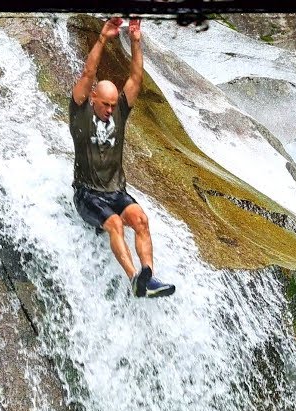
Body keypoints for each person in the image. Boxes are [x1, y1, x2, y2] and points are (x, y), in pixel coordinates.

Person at [70, 17, 174, 298]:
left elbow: (136, 78)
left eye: (113, 105)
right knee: (115, 223)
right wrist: (103, 38)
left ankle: (148, 276)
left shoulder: (119, 112)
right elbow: (88, 73)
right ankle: (132, 279)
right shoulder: (81, 114)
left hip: (116, 192)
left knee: (140, 220)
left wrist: (136, 40)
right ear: (93, 98)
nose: (109, 109)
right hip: (87, 195)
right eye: (105, 104)